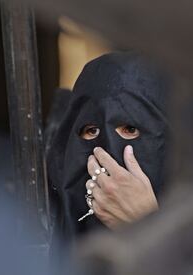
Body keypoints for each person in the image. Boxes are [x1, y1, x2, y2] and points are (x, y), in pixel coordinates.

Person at [46, 52, 169, 243]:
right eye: (92, 131)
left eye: (130, 129)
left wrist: (146, 225)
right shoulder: (39, 221)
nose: (109, 152)